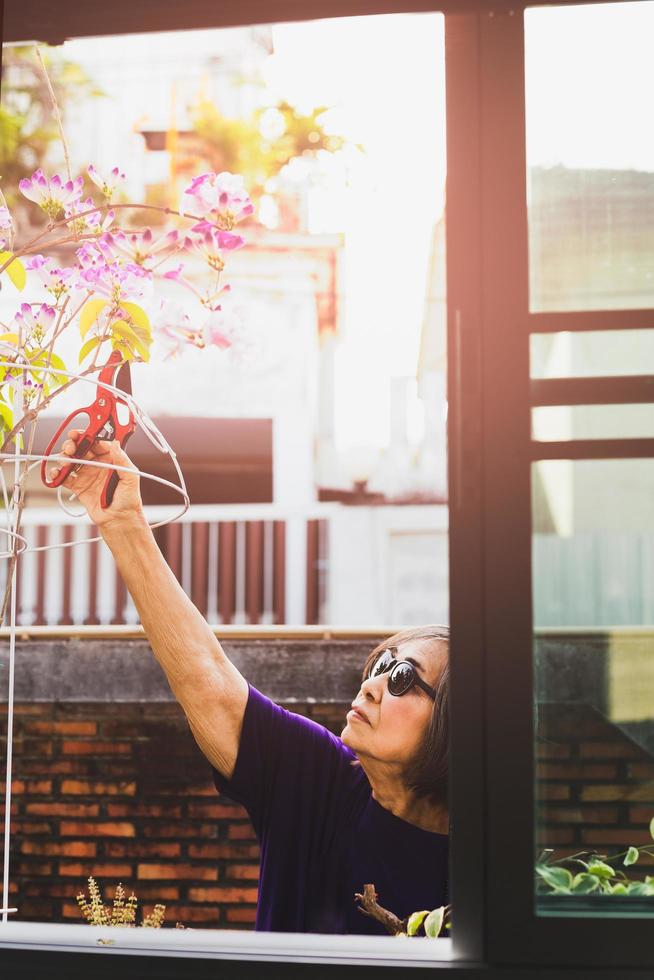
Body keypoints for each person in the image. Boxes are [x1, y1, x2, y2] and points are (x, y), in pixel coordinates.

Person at [49, 433, 450, 935]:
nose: (371, 685)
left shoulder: (494, 868)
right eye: (380, 665)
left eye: (403, 678)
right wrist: (124, 522)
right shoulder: (319, 778)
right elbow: (210, 682)